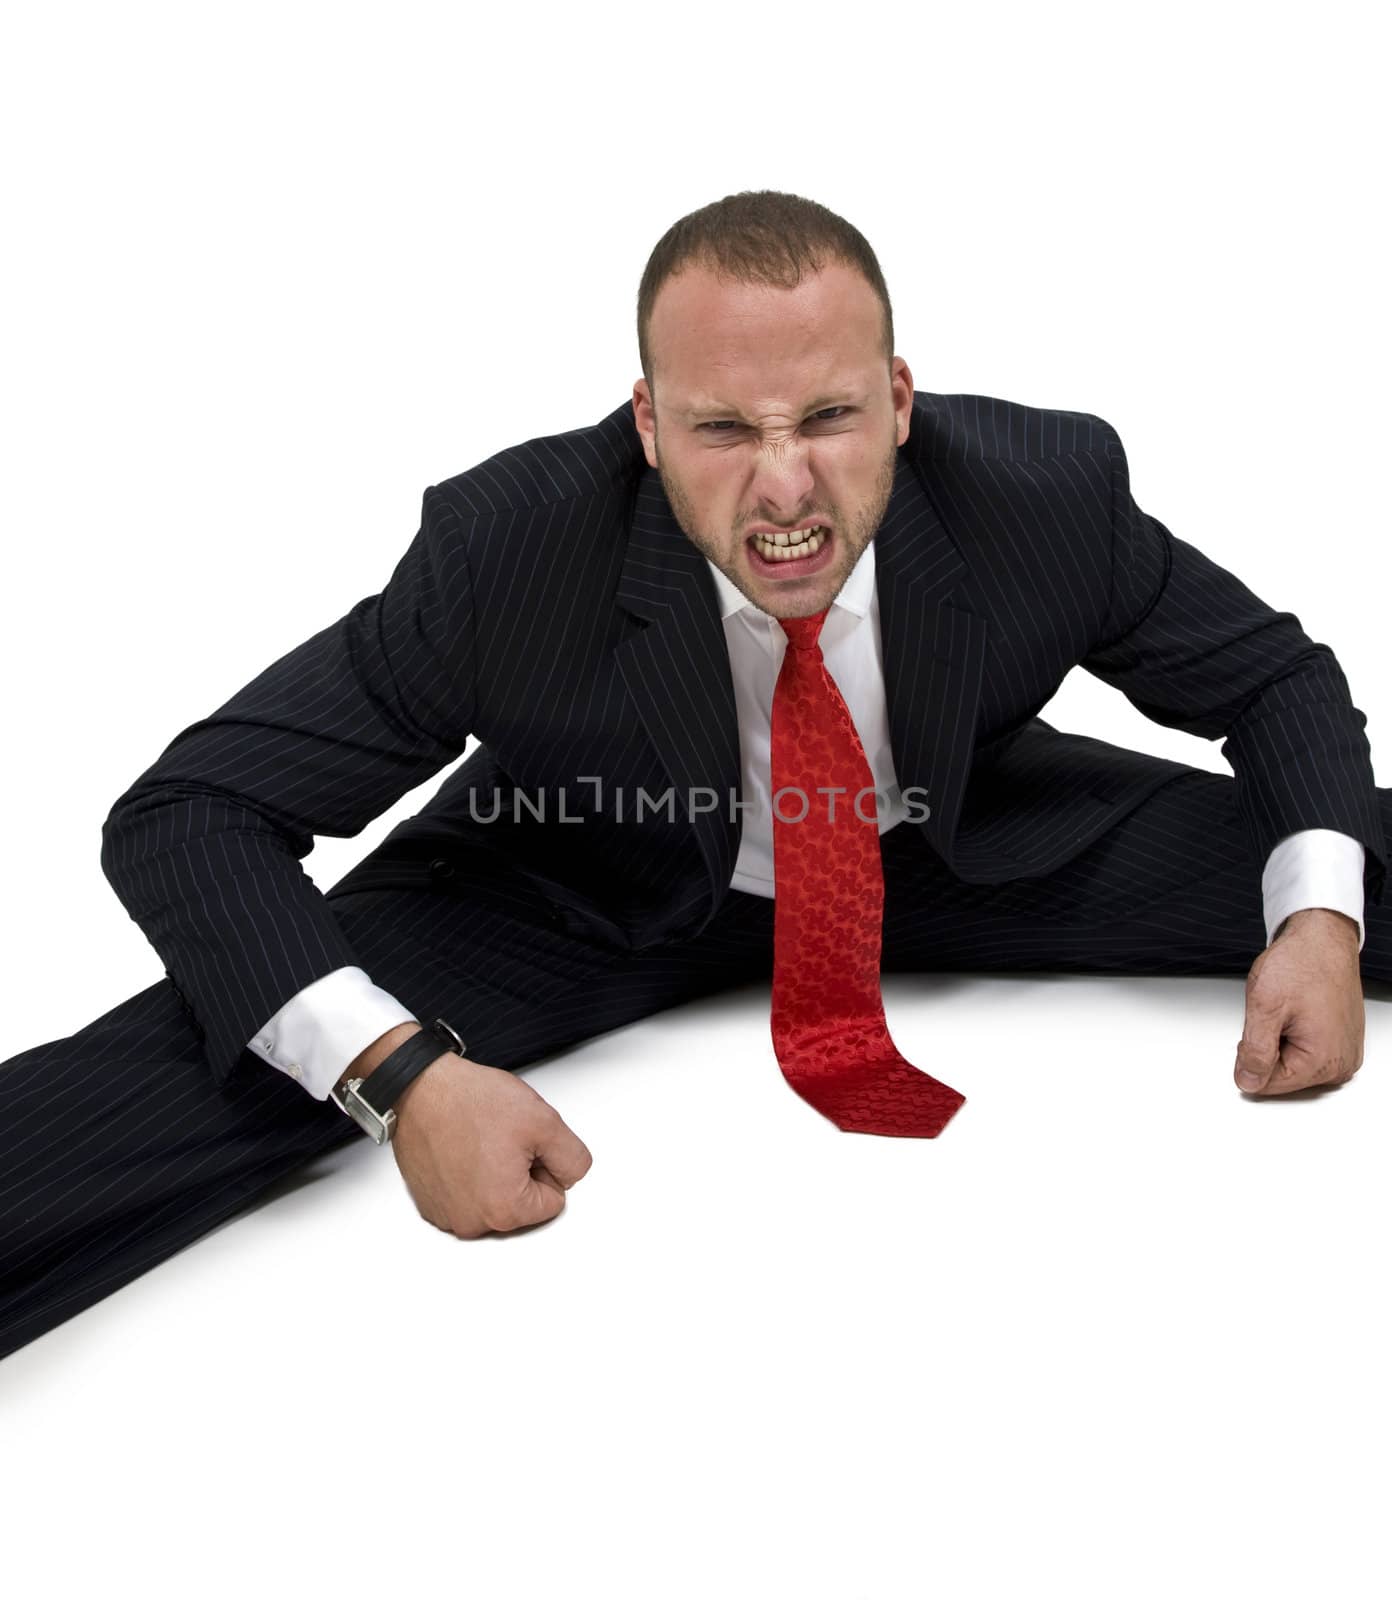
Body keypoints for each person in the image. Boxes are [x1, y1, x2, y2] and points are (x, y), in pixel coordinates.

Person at [2, 188, 1386, 1361]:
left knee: (1348, 857)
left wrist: (1319, 924)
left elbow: (1269, 679)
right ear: (649, 425)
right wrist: (399, 1075)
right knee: (203, 1064)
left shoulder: (1044, 492)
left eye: (830, 416)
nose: (785, 487)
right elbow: (192, 814)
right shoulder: (510, 552)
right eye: (724, 429)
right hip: (570, 873)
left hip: (955, 839)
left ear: (901, 403)